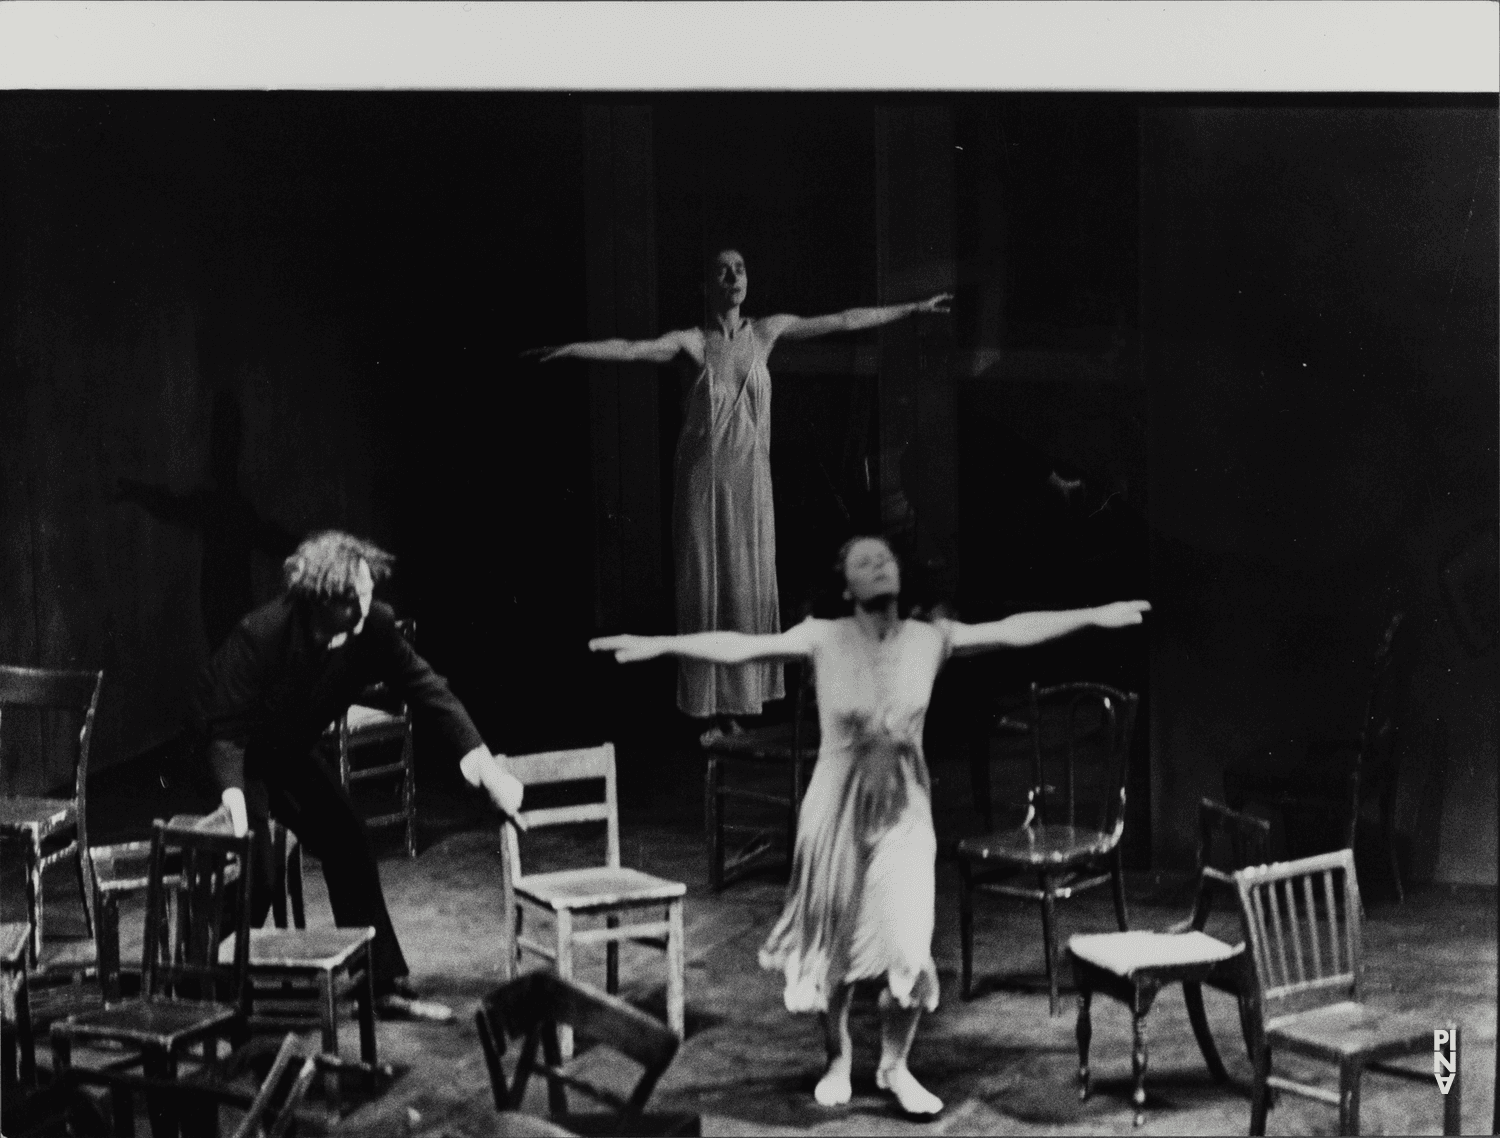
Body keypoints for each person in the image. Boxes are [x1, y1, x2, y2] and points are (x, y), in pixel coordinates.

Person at [592, 535, 1150, 1115]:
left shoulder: (930, 639)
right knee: (837, 949)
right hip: (834, 814)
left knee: (908, 945)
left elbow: (1012, 629)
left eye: (884, 557)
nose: (879, 565)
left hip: (905, 812)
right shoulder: (822, 637)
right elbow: (740, 648)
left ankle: (894, 1065)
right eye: (864, 561)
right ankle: (837, 1059)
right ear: (845, 585)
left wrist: (1095, 615)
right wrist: (659, 644)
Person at [530, 249, 951, 739]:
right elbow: (629, 348)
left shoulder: (766, 332)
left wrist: (912, 307)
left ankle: (737, 705)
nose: (734, 276)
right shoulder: (692, 342)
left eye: (741, 269)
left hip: (751, 485)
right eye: (722, 270)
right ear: (706, 286)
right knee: (707, 592)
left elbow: (842, 319)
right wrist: (570, 349)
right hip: (704, 488)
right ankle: (708, 709)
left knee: (744, 592)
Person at [194, 530, 525, 1021]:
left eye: (369, 593)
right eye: (355, 598)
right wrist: (236, 804)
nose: (367, 606)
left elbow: (426, 687)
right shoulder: (262, 634)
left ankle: (378, 985)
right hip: (234, 751)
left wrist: (484, 764)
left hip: (289, 751)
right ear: (321, 600)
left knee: (347, 837)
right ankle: (206, 985)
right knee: (256, 863)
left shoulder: (373, 625)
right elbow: (224, 732)